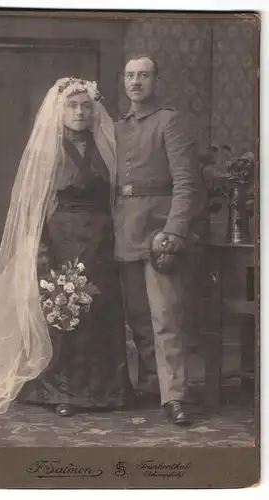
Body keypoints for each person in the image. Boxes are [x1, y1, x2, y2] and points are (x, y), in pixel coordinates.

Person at [0, 77, 133, 419]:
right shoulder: (49, 149)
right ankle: (63, 390)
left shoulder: (107, 144)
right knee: (66, 310)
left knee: (101, 309)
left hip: (102, 240)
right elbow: (36, 204)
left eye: (86, 106)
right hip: (63, 238)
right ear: (60, 110)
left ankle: (107, 389)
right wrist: (40, 248)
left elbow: (118, 195)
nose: (81, 112)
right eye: (73, 106)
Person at [113, 55, 210, 426]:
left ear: (156, 79)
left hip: (158, 235)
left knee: (165, 317)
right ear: (123, 82)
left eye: (144, 75)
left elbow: (187, 184)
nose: (136, 82)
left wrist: (174, 231)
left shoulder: (170, 121)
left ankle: (175, 396)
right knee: (138, 318)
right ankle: (153, 386)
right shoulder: (117, 128)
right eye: (130, 76)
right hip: (124, 232)